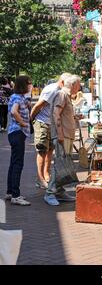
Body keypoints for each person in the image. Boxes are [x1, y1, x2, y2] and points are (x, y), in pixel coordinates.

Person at [44, 75, 81, 206]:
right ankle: (50, 192)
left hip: (66, 135)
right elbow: (56, 114)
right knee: (60, 164)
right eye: (79, 84)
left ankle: (59, 191)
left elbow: (62, 113)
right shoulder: (62, 95)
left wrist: (74, 116)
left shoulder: (66, 96)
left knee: (64, 164)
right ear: (73, 85)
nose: (80, 87)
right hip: (63, 136)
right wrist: (59, 134)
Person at [30, 73, 71, 189]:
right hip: (43, 122)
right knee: (42, 150)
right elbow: (38, 106)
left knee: (49, 151)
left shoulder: (60, 90)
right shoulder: (53, 90)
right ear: (62, 82)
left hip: (51, 123)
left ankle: (46, 175)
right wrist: (32, 120)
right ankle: (40, 179)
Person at [5, 75, 32, 206]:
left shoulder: (20, 97)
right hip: (17, 133)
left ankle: (10, 192)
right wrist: (23, 123)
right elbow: (14, 112)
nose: (30, 85)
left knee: (13, 163)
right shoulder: (16, 97)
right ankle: (16, 195)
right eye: (29, 83)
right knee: (18, 164)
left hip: (15, 134)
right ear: (23, 85)